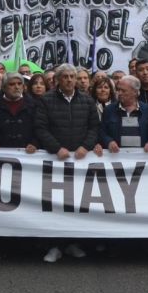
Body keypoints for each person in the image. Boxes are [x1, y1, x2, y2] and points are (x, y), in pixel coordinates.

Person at [34, 64, 99, 263]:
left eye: (73, 77)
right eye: (66, 77)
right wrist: (56, 148)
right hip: (56, 161)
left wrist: (85, 146)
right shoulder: (46, 100)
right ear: (58, 80)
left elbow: (94, 127)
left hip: (79, 162)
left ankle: (73, 243)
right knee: (55, 205)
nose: (70, 80)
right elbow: (40, 127)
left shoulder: (87, 100)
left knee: (77, 204)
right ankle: (54, 245)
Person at [0, 73, 39, 153]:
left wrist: (35, 143)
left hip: (27, 152)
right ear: (3, 87)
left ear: (23, 87)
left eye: (19, 84)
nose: (16, 87)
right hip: (1, 151)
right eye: (12, 84)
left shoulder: (34, 104)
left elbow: (39, 127)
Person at [100, 75, 148, 151]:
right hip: (117, 157)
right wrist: (109, 141)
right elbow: (102, 131)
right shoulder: (109, 110)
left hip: (142, 157)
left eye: (123, 90)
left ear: (135, 92)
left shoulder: (147, 110)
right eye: (118, 90)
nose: (119, 93)